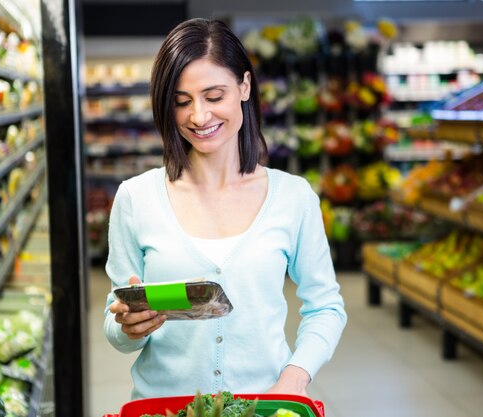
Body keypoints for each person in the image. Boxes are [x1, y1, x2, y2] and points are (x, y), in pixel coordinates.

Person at [104, 17, 347, 400]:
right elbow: (115, 322)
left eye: (214, 96)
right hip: (163, 407)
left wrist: (294, 379)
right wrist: (128, 328)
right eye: (181, 102)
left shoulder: (292, 198)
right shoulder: (136, 199)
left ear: (244, 87)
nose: (199, 117)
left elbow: (325, 306)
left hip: (263, 404)